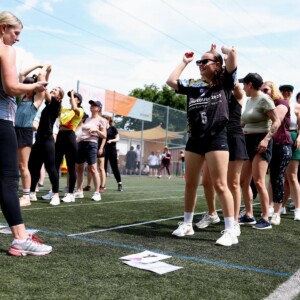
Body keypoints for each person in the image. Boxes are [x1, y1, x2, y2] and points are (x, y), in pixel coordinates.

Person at [166, 44, 238, 246]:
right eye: (199, 62)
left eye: (204, 61)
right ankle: (187, 224)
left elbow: (232, 60)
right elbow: (170, 81)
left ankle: (231, 230)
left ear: (217, 65)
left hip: (216, 138)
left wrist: (227, 52)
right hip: (195, 139)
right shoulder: (194, 84)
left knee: (220, 184)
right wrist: (184, 62)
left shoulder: (224, 82)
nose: (200, 64)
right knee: (190, 183)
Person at [0, 11, 52, 255]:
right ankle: (20, 238)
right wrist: (35, 85)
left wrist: (37, 72)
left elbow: (15, 77)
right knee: (9, 180)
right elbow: (11, 85)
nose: (17, 39)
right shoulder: (6, 49)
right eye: (16, 33)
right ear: (3, 28)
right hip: (2, 122)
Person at [197, 80, 248, 237]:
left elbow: (238, 89)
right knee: (206, 181)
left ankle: (234, 222)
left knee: (233, 183)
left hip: (233, 137)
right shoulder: (213, 95)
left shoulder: (236, 93)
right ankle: (212, 214)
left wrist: (230, 74)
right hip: (214, 137)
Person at [239, 73, 280, 230]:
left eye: (244, 85)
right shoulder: (249, 101)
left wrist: (266, 139)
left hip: (261, 140)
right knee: (244, 181)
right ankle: (249, 215)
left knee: (258, 181)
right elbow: (243, 123)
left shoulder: (265, 99)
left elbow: (276, 122)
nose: (243, 88)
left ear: (250, 84)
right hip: (246, 142)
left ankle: (265, 218)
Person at [16, 64, 50, 206]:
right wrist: (36, 65)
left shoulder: (35, 102)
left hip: (25, 132)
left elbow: (42, 80)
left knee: (23, 166)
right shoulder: (20, 98)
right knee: (12, 165)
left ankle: (26, 196)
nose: (25, 88)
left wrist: (45, 69)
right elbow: (22, 74)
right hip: (13, 131)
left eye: (28, 86)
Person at [41, 90, 84, 201]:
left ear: (78, 100)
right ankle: (53, 191)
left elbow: (75, 109)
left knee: (71, 167)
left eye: (73, 97)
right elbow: (54, 108)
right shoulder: (64, 109)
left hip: (70, 136)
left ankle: (70, 194)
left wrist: (73, 93)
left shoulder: (80, 110)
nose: (70, 98)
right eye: (69, 96)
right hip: (60, 136)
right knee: (55, 165)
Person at [260, 82, 292, 225]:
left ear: (273, 90)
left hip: (281, 145)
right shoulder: (260, 104)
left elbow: (276, 121)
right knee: (267, 179)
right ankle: (269, 207)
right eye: (261, 90)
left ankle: (277, 212)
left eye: (266, 89)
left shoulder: (281, 102)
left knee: (277, 178)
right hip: (268, 145)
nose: (263, 92)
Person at [29, 82, 65, 206]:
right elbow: (44, 96)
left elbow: (45, 93)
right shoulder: (48, 105)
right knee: (34, 167)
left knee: (51, 168)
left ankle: (55, 195)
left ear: (59, 97)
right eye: (53, 89)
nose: (53, 90)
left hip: (47, 141)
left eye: (56, 90)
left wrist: (43, 78)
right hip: (39, 140)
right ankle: (32, 192)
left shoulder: (56, 104)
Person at [72, 100, 107, 202]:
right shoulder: (86, 119)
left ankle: (97, 192)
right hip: (81, 144)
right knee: (79, 168)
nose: (91, 106)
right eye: (91, 105)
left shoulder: (102, 120)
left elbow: (104, 135)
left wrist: (96, 131)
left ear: (98, 108)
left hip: (92, 144)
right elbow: (80, 132)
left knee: (93, 168)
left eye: (94, 105)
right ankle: (79, 191)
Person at [279, 85, 300, 221]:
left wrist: (299, 137)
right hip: (280, 139)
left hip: (293, 138)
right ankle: (282, 206)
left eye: (289, 91)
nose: (286, 93)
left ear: (292, 93)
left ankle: (298, 209)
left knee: (292, 176)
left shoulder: (296, 106)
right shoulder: (278, 104)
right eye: (284, 91)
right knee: (284, 178)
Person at [103, 115, 123, 191]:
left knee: (114, 167)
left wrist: (111, 140)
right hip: (103, 150)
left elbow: (118, 138)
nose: (103, 120)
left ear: (108, 120)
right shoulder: (102, 129)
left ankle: (119, 184)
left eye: (105, 119)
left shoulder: (113, 128)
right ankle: (103, 185)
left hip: (112, 150)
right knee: (103, 168)